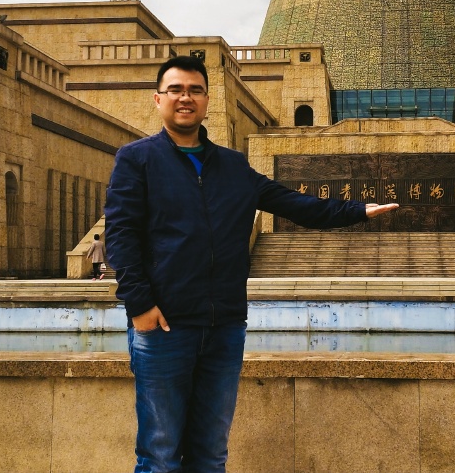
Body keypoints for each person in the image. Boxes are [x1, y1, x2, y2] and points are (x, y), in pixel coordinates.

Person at [104, 55, 396, 473]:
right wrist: (140, 306)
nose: (186, 98)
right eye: (176, 90)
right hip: (165, 326)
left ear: (207, 101)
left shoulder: (233, 166)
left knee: (211, 454)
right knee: (160, 454)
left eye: (195, 90)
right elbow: (121, 234)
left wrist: (357, 210)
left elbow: (296, 204)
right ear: (158, 99)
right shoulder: (137, 160)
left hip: (223, 328)